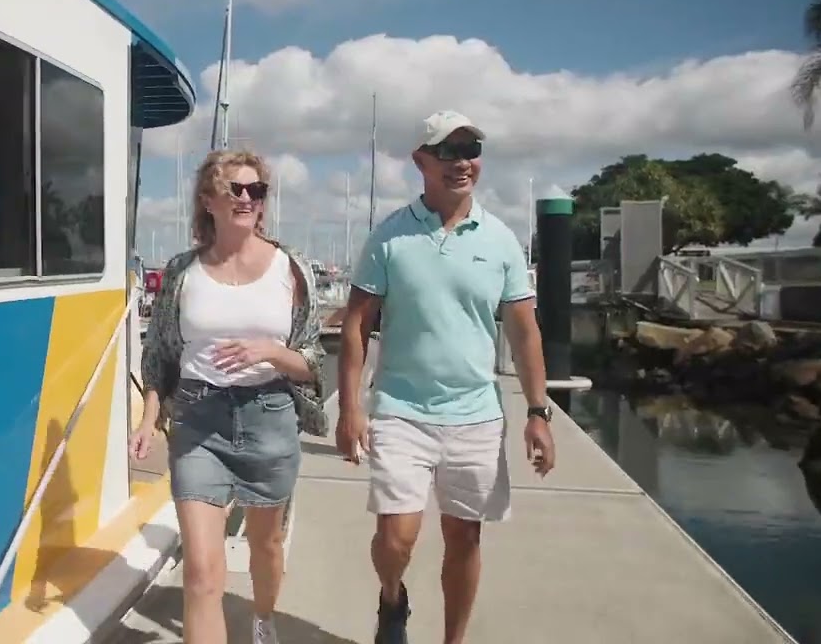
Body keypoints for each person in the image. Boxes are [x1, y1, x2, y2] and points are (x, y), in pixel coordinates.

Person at [335, 111, 556, 644]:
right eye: (449, 151)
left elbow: (525, 334)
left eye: (471, 149)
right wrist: (350, 409)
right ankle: (393, 599)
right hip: (401, 411)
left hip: (476, 418)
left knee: (464, 539)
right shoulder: (389, 237)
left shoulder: (502, 240)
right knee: (397, 538)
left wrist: (537, 410)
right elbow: (356, 325)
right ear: (421, 161)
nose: (462, 162)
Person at [130, 149, 327, 644]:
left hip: (270, 418)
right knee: (201, 573)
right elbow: (160, 357)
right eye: (234, 188)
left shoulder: (292, 270)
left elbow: (312, 364)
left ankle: (262, 619)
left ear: (263, 204)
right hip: (199, 423)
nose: (246, 197)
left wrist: (272, 353)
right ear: (208, 200)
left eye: (255, 190)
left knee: (267, 546)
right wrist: (148, 418)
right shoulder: (182, 272)